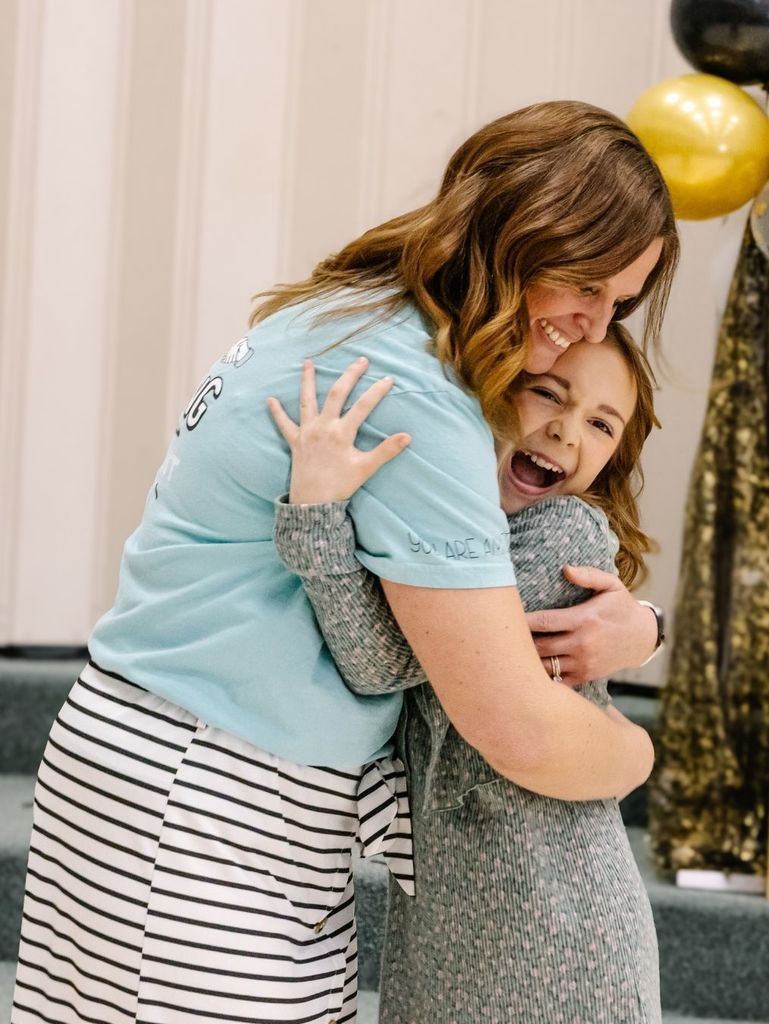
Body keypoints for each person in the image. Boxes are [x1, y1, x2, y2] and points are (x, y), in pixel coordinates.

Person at [11, 101, 678, 1024]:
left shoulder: (347, 310)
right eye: (590, 286)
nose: (596, 322)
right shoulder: (412, 390)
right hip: (209, 797)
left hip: (159, 765)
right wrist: (639, 753)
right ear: (531, 231)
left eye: (621, 303)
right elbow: (517, 727)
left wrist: (641, 625)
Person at [272, 323, 663, 1023]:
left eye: (601, 424)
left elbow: (382, 662)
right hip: (454, 900)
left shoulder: (558, 535)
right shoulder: (458, 523)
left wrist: (316, 517)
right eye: (548, 393)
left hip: (552, 918)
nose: (566, 432)